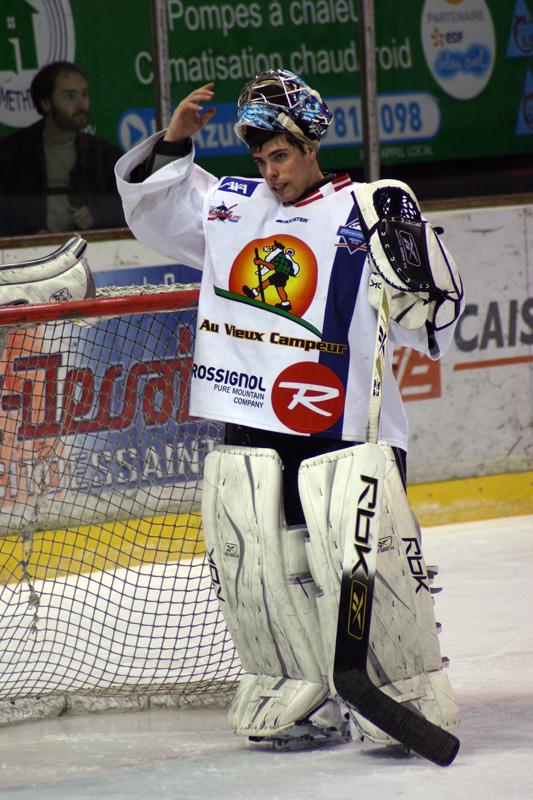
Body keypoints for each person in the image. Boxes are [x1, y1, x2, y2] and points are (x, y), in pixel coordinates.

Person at [115, 70, 464, 754]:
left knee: (362, 561)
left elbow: (434, 317)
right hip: (251, 418)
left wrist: (419, 275)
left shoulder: (367, 209)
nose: (269, 172)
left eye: (279, 156)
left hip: (346, 423)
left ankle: (400, 693)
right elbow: (155, 212)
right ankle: (293, 695)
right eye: (259, 159)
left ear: (310, 147)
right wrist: (174, 144)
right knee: (265, 565)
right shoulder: (230, 207)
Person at [0, 61, 125, 237]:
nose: (82, 104)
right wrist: (29, 234)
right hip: (26, 255)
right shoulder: (11, 154)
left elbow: (131, 205)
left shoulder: (104, 154)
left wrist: (99, 214)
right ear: (46, 103)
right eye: (70, 96)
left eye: (84, 94)